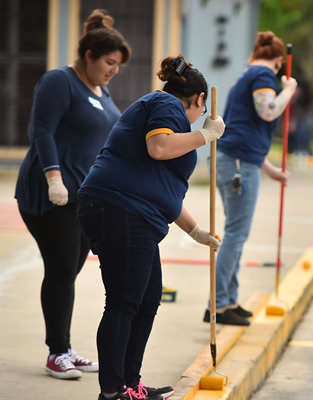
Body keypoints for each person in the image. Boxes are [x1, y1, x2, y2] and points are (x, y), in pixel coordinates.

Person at [77, 55, 224, 400]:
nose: (197, 123)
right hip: (119, 207)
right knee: (125, 301)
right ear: (200, 100)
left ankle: (130, 383)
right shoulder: (165, 103)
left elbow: (160, 189)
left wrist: (195, 230)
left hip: (131, 210)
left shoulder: (167, 112)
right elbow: (158, 148)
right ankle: (113, 392)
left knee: (147, 299)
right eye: (200, 115)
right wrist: (205, 135)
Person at [14, 9, 131, 380]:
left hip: (83, 196)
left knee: (71, 269)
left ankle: (64, 345)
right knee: (62, 268)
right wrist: (54, 178)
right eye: (109, 63)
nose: (113, 70)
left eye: (118, 66)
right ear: (90, 57)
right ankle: (56, 352)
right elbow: (41, 132)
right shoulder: (59, 81)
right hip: (50, 192)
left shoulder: (101, 89)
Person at [202, 31, 297, 326]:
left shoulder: (247, 75)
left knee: (234, 233)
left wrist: (269, 170)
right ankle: (218, 303)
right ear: (279, 62)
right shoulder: (262, 76)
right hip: (238, 165)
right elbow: (268, 111)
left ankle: (228, 298)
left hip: (232, 160)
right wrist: (289, 91)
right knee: (236, 234)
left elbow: (244, 132)